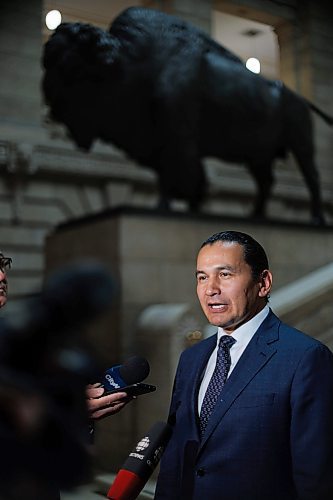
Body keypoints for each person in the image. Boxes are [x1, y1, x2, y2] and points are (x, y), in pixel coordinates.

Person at [155, 230, 333, 500]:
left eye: (225, 275)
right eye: (202, 277)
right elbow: (175, 458)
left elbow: (316, 475)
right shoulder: (191, 358)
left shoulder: (306, 358)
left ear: (263, 283)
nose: (210, 289)